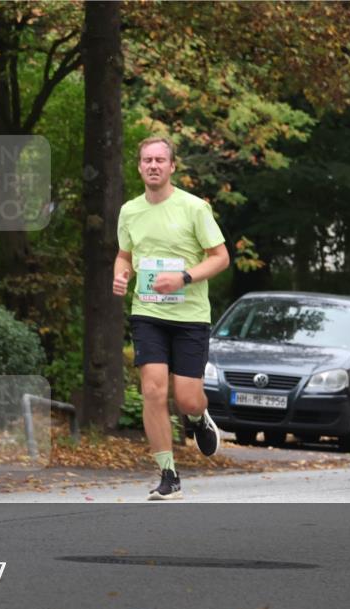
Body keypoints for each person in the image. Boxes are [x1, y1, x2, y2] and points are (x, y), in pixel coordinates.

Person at [112, 136, 230, 500]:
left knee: (188, 398)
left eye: (160, 160)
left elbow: (220, 257)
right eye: (147, 160)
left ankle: (198, 417)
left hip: (190, 316)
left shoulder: (194, 208)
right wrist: (121, 275)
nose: (153, 165)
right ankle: (168, 474)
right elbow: (124, 255)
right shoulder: (130, 211)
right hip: (147, 312)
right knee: (152, 389)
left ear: (172, 166)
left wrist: (184, 277)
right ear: (139, 167)